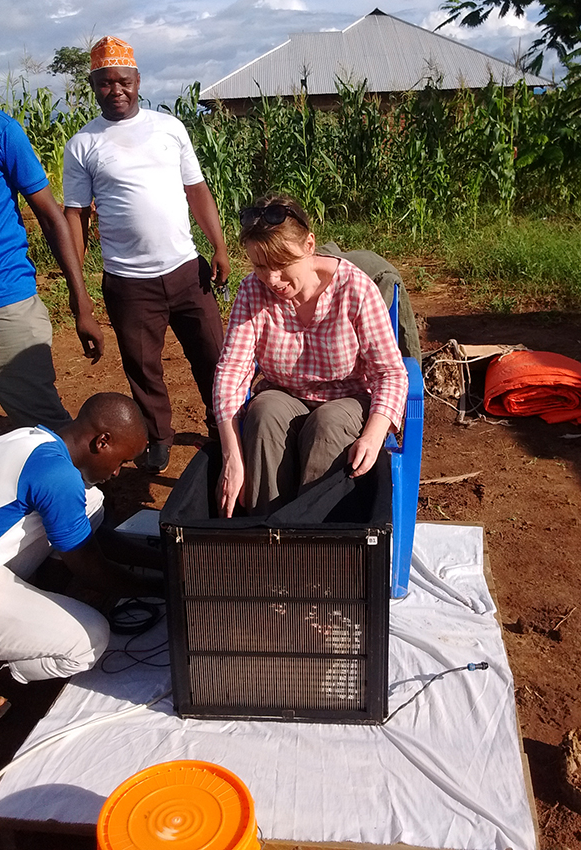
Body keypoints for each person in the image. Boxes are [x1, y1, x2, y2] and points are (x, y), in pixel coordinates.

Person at [63, 36, 229, 474]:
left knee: (214, 356)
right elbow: (75, 216)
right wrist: (78, 292)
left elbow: (196, 190)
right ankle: (158, 438)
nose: (115, 90)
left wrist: (219, 245)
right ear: (93, 86)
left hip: (186, 271)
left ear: (137, 80)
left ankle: (225, 426)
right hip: (128, 282)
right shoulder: (84, 144)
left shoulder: (169, 128)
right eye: (104, 83)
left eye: (122, 81)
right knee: (144, 368)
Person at [213, 195, 409, 518]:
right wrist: (231, 456)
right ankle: (265, 535)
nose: (272, 279)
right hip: (285, 395)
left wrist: (374, 437)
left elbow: (390, 372)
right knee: (262, 413)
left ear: (309, 245)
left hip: (347, 399)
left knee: (327, 424)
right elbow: (231, 373)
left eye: (281, 264)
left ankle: (317, 544)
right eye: (261, 266)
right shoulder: (251, 292)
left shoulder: (355, 289)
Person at [0, 392, 163, 683]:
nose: (117, 472)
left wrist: (165, 560)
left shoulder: (30, 439)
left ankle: (33, 603)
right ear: (102, 441)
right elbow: (92, 568)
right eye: (121, 461)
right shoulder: (58, 478)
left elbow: (92, 538)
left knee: (90, 501)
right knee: (89, 641)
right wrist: (163, 588)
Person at [0, 104, 104, 431]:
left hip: (2, 308)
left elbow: (52, 218)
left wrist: (81, 304)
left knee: (49, 432)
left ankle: (75, 483)